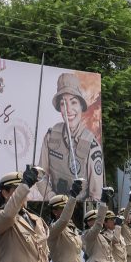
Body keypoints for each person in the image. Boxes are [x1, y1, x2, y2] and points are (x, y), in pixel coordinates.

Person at [36, 72, 104, 202]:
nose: (68, 109)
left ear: (81, 106)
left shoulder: (92, 146)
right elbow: (40, 175)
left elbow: (96, 197)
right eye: (63, 103)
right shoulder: (51, 136)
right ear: (59, 108)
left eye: (73, 102)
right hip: (55, 208)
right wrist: (52, 198)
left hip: (80, 212)